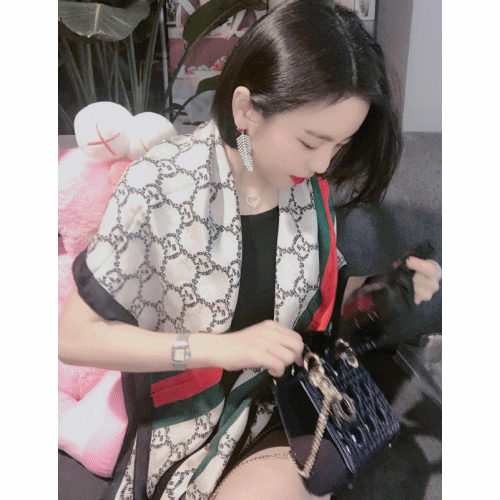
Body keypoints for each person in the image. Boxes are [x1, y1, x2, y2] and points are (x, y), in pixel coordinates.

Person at [58, 1, 441, 499]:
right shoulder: (160, 185)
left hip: (287, 405)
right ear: (246, 109)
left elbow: (314, 316)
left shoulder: (306, 189)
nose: (323, 164)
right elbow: (73, 338)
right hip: (190, 420)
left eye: (340, 145)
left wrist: (389, 293)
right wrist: (221, 348)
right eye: (311, 142)